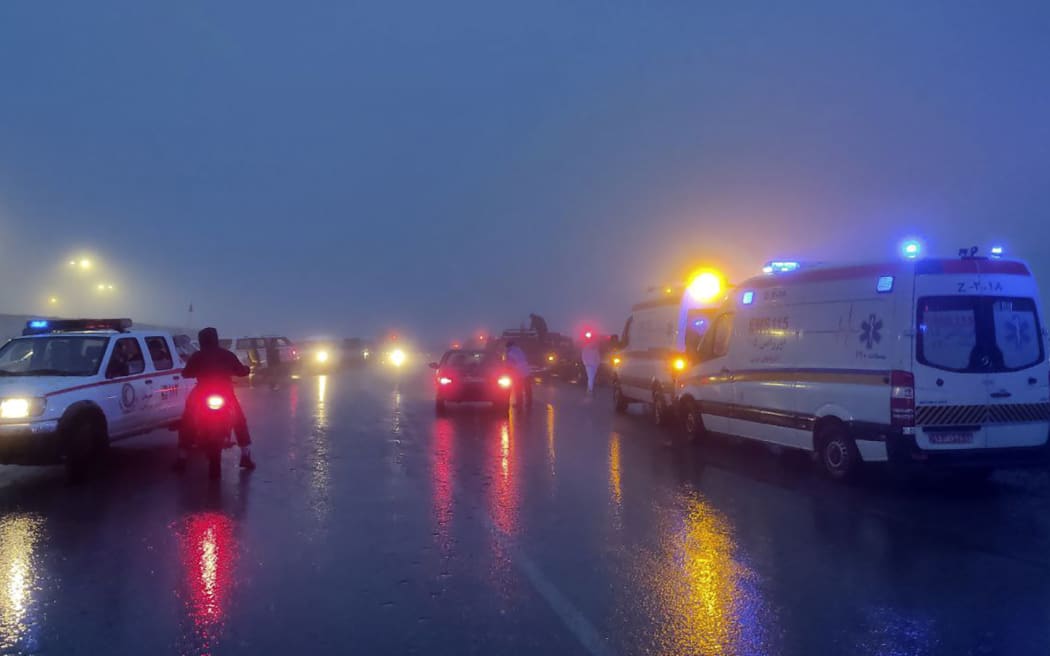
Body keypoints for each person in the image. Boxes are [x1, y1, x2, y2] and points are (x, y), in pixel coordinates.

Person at [175, 327, 255, 471]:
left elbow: (187, 373)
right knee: (239, 421)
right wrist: (247, 370)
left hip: (202, 391)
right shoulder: (227, 354)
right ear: (216, 339)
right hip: (225, 392)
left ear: (201, 340)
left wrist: (188, 372)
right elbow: (240, 371)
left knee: (187, 420)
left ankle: (182, 458)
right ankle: (245, 456)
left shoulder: (197, 356)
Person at [504, 340, 532, 406]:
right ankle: (529, 403)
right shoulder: (519, 350)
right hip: (526, 371)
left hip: (518, 373)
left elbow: (509, 365)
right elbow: (524, 359)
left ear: (508, 346)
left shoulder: (510, 353)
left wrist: (506, 371)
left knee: (518, 389)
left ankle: (519, 403)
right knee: (527, 388)